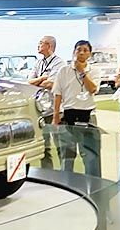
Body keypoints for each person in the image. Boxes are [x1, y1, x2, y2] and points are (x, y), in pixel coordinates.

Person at [52, 40, 101, 175]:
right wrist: (56, 116)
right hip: (68, 116)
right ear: (74, 52)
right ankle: (66, 183)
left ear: (90, 54)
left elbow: (93, 89)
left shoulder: (95, 71)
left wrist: (82, 72)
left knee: (91, 156)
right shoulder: (64, 71)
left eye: (85, 50)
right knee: (67, 155)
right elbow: (57, 93)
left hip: (88, 116)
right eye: (79, 50)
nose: (81, 53)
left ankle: (94, 183)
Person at [30, 35, 67, 168]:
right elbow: (29, 82)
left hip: (55, 110)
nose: (38, 45)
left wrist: (40, 81)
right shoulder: (38, 63)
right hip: (41, 111)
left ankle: (64, 173)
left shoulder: (59, 63)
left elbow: (51, 84)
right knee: (44, 147)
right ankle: (47, 172)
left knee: (60, 145)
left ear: (49, 46)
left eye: (41, 43)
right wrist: (42, 78)